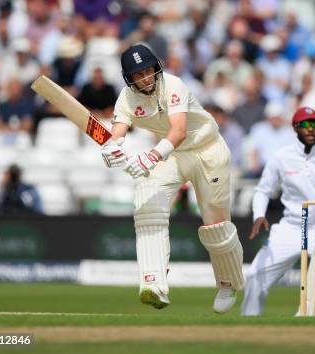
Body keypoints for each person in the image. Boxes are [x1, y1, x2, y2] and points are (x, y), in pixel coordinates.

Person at [100, 44, 244, 313]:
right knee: (147, 199)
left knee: (216, 227)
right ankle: (154, 282)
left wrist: (150, 156)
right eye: (138, 74)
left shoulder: (174, 85)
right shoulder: (127, 98)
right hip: (174, 156)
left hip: (207, 151)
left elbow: (177, 131)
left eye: (148, 70)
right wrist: (110, 150)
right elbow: (116, 133)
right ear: (128, 78)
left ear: (156, 67)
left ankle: (227, 283)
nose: (145, 78)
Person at [242, 107, 315, 317]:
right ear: (295, 127)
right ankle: (249, 321)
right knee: (254, 275)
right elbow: (263, 190)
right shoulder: (281, 157)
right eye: (306, 125)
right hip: (291, 227)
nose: (311, 129)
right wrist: (259, 215)